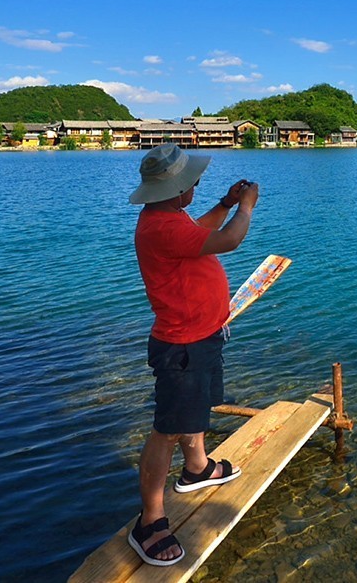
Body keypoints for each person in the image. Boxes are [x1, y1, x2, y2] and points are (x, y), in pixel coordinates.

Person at [126, 144, 259, 566]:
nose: (196, 188)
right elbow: (230, 240)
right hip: (181, 344)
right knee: (168, 429)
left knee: (196, 409)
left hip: (201, 336)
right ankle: (150, 521)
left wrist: (224, 202)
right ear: (177, 190)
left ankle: (197, 469)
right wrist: (246, 208)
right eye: (193, 183)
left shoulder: (167, 217)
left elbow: (198, 232)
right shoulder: (161, 227)